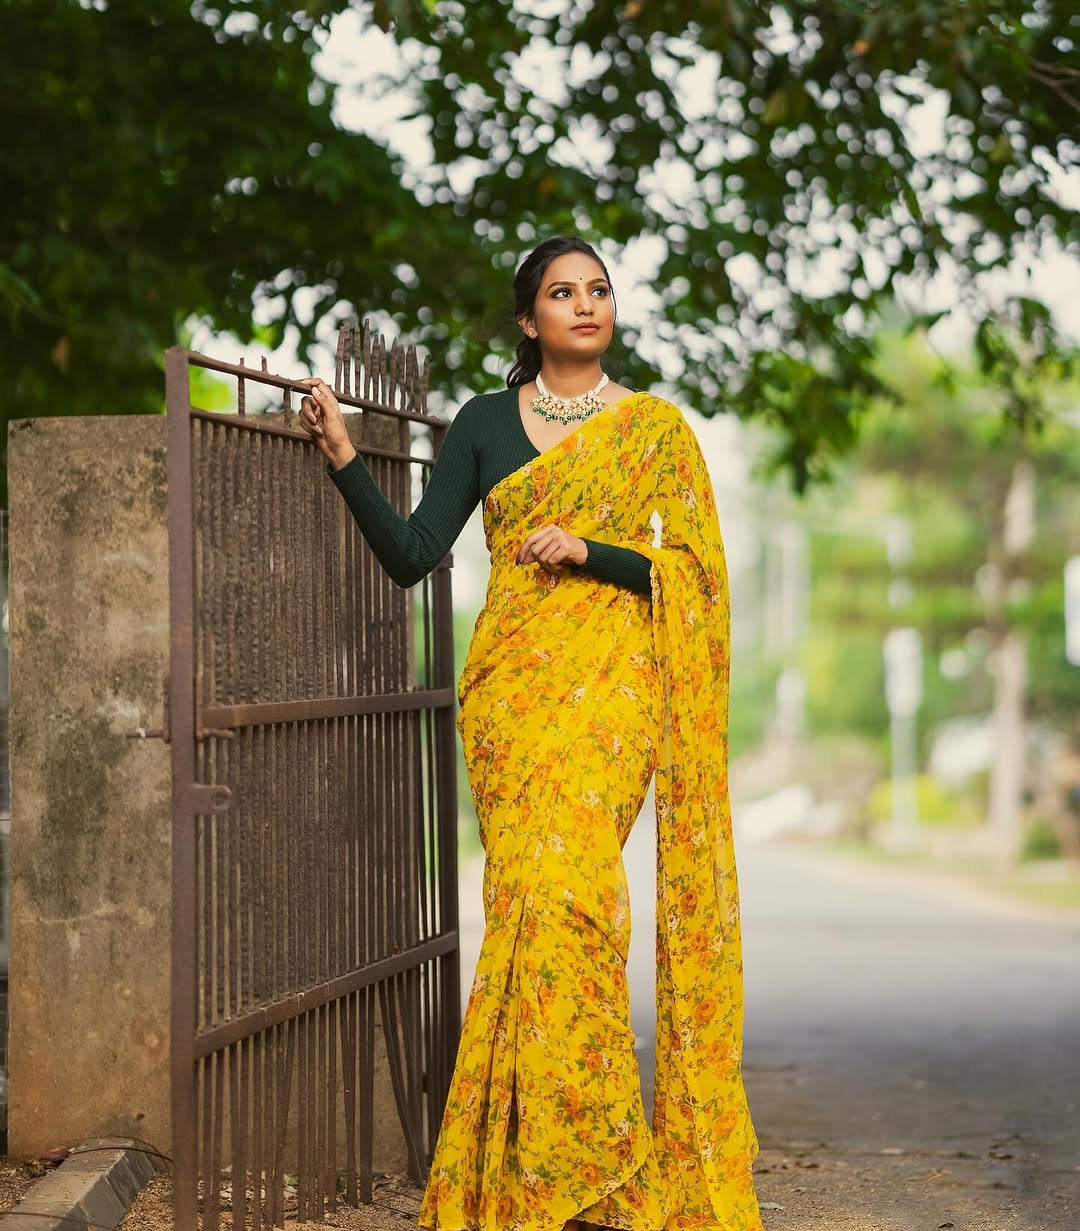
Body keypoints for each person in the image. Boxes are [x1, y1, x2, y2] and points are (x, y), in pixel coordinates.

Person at [299, 236, 763, 1231]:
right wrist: (343, 459)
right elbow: (413, 555)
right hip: (511, 696)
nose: (586, 304)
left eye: (598, 290)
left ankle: (585, 1165)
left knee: (578, 905)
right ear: (529, 319)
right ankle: (543, 1169)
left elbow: (696, 577)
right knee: (528, 913)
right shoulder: (480, 425)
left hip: (612, 699)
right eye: (563, 292)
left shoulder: (655, 432)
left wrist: (596, 550)